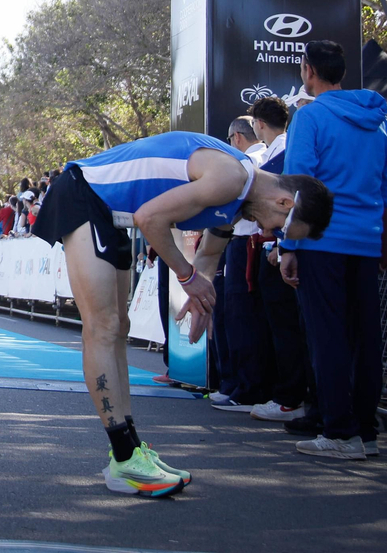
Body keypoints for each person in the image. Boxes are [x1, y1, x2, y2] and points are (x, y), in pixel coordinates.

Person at [30, 129, 333, 495]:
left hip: (107, 211)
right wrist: (188, 278)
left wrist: (202, 294)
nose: (270, 232)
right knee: (103, 327)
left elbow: (208, 255)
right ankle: (125, 458)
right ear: (284, 202)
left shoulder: (239, 197)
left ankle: (130, 448)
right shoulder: (231, 178)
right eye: (281, 228)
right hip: (83, 194)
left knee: (118, 326)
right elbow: (149, 218)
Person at [278, 40, 387, 461]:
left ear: (308, 71)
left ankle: (339, 431)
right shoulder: (380, 122)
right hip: (365, 242)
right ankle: (364, 431)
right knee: (365, 338)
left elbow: (299, 186)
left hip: (322, 240)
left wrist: (288, 245)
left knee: (327, 336)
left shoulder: (309, 117)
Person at [245, 95, 314, 426]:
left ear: (259, 124)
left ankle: (291, 397)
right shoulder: (272, 151)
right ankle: (286, 393)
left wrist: (284, 245)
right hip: (274, 245)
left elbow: (289, 198)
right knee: (279, 325)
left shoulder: (287, 148)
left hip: (283, 245)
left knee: (288, 327)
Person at [209, 116, 274, 414]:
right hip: (244, 243)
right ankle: (237, 383)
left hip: (248, 243)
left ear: (236, 137)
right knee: (234, 317)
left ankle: (247, 387)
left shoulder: (250, 159)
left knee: (241, 318)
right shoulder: (258, 156)